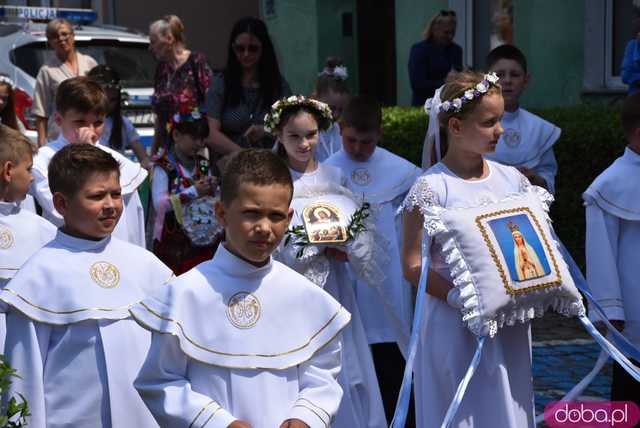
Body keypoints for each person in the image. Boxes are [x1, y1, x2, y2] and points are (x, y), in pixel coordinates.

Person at [131, 149, 350, 427]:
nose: (264, 227)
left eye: (276, 216)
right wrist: (218, 423)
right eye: (251, 214)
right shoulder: (185, 293)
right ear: (222, 213)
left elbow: (322, 374)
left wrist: (305, 416)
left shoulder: (304, 295)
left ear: (289, 217)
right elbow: (161, 381)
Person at [0, 144, 172, 427]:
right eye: (96, 196)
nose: (111, 205)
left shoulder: (147, 267)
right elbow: (24, 381)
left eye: (116, 194)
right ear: (61, 204)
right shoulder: (38, 278)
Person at [402, 70, 537, 427]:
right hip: (453, 321)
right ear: (456, 127)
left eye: (501, 120)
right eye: (489, 122)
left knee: (507, 402)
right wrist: (460, 299)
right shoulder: (431, 188)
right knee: (461, 408)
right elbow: (413, 265)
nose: (500, 130)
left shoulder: (512, 180)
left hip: (508, 319)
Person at [268, 95, 387, 428]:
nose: (304, 143)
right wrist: (305, 247)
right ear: (279, 135)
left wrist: (350, 246)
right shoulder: (274, 179)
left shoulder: (335, 175)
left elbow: (360, 225)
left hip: (334, 284)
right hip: (292, 285)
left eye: (310, 134)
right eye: (294, 136)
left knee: (344, 358)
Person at [325, 95, 421, 422]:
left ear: (379, 134)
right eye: (350, 140)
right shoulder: (327, 171)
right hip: (345, 278)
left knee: (392, 357)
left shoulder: (402, 173)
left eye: (366, 142)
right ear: (340, 130)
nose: (357, 149)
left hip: (389, 278)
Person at [31, 77, 148, 247]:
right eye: (80, 122)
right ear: (58, 120)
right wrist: (83, 154)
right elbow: (61, 212)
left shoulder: (119, 162)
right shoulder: (42, 160)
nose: (90, 130)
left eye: (98, 123)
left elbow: (133, 222)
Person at [584, 92, 640, 407]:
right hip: (634, 312)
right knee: (630, 393)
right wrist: (610, 312)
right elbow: (601, 255)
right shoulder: (609, 185)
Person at [0, 125, 56, 354]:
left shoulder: (42, 229)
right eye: (29, 169)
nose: (32, 177)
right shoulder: (42, 229)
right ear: (8, 171)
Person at [206, 17, 291, 155]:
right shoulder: (221, 83)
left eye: (253, 48)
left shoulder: (278, 85)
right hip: (230, 167)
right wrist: (243, 155)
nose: (246, 54)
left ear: (264, 49)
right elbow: (210, 133)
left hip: (270, 165)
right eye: (240, 48)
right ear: (233, 48)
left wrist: (265, 130)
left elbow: (292, 126)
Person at [151, 105, 219, 274]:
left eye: (202, 138)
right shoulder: (164, 166)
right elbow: (160, 205)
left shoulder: (203, 164)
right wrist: (194, 191)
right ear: (176, 135)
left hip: (204, 242)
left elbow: (215, 199)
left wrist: (214, 188)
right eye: (194, 137)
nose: (200, 143)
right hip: (173, 245)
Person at [484, 44, 560, 193]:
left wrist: (536, 180)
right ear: (486, 80)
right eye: (499, 75)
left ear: (526, 80)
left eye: (514, 74)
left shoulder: (539, 129)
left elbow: (548, 174)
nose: (507, 81)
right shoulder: (473, 125)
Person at [149, 15, 213, 155]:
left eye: (154, 42)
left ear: (169, 39)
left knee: (200, 177)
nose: (151, 47)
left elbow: (211, 106)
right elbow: (159, 119)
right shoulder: (161, 70)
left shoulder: (196, 63)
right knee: (166, 177)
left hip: (196, 148)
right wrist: (153, 153)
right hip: (169, 151)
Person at [32, 18, 98, 147]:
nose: (61, 39)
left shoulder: (89, 63)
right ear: (50, 41)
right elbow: (41, 112)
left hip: (88, 132)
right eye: (55, 36)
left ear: (73, 35)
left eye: (64, 34)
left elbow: (99, 101)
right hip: (60, 135)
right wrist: (42, 143)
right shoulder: (47, 70)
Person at [88, 65, 152, 169]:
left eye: (113, 100)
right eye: (103, 100)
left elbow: (143, 156)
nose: (108, 105)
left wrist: (149, 165)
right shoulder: (81, 124)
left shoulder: (123, 124)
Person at [408, 10, 463, 106]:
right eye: (446, 32)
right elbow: (417, 84)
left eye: (453, 32)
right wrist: (445, 83)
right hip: (425, 105)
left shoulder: (456, 50)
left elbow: (457, 77)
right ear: (434, 29)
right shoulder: (420, 50)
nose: (450, 36)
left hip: (448, 105)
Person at [312, 57, 350, 162]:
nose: (336, 115)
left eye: (341, 110)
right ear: (315, 99)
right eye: (330, 108)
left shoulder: (338, 131)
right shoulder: (304, 131)